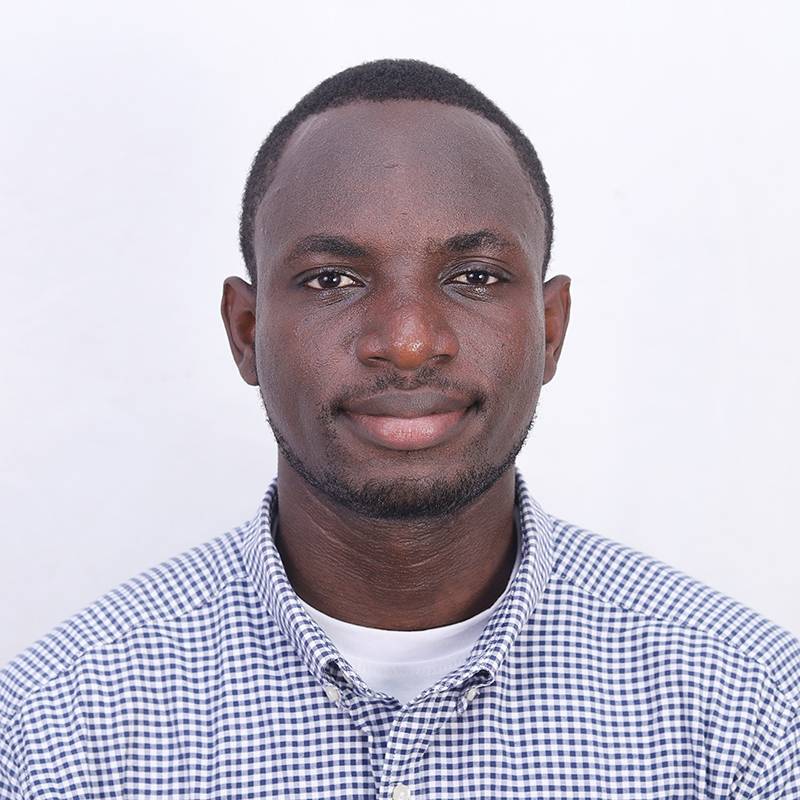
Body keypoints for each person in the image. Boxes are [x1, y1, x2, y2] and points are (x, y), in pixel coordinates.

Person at [0, 59, 797, 799]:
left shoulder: (750, 711)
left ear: (551, 329)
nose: (409, 341)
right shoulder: (55, 732)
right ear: (246, 331)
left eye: (475, 276)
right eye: (332, 279)